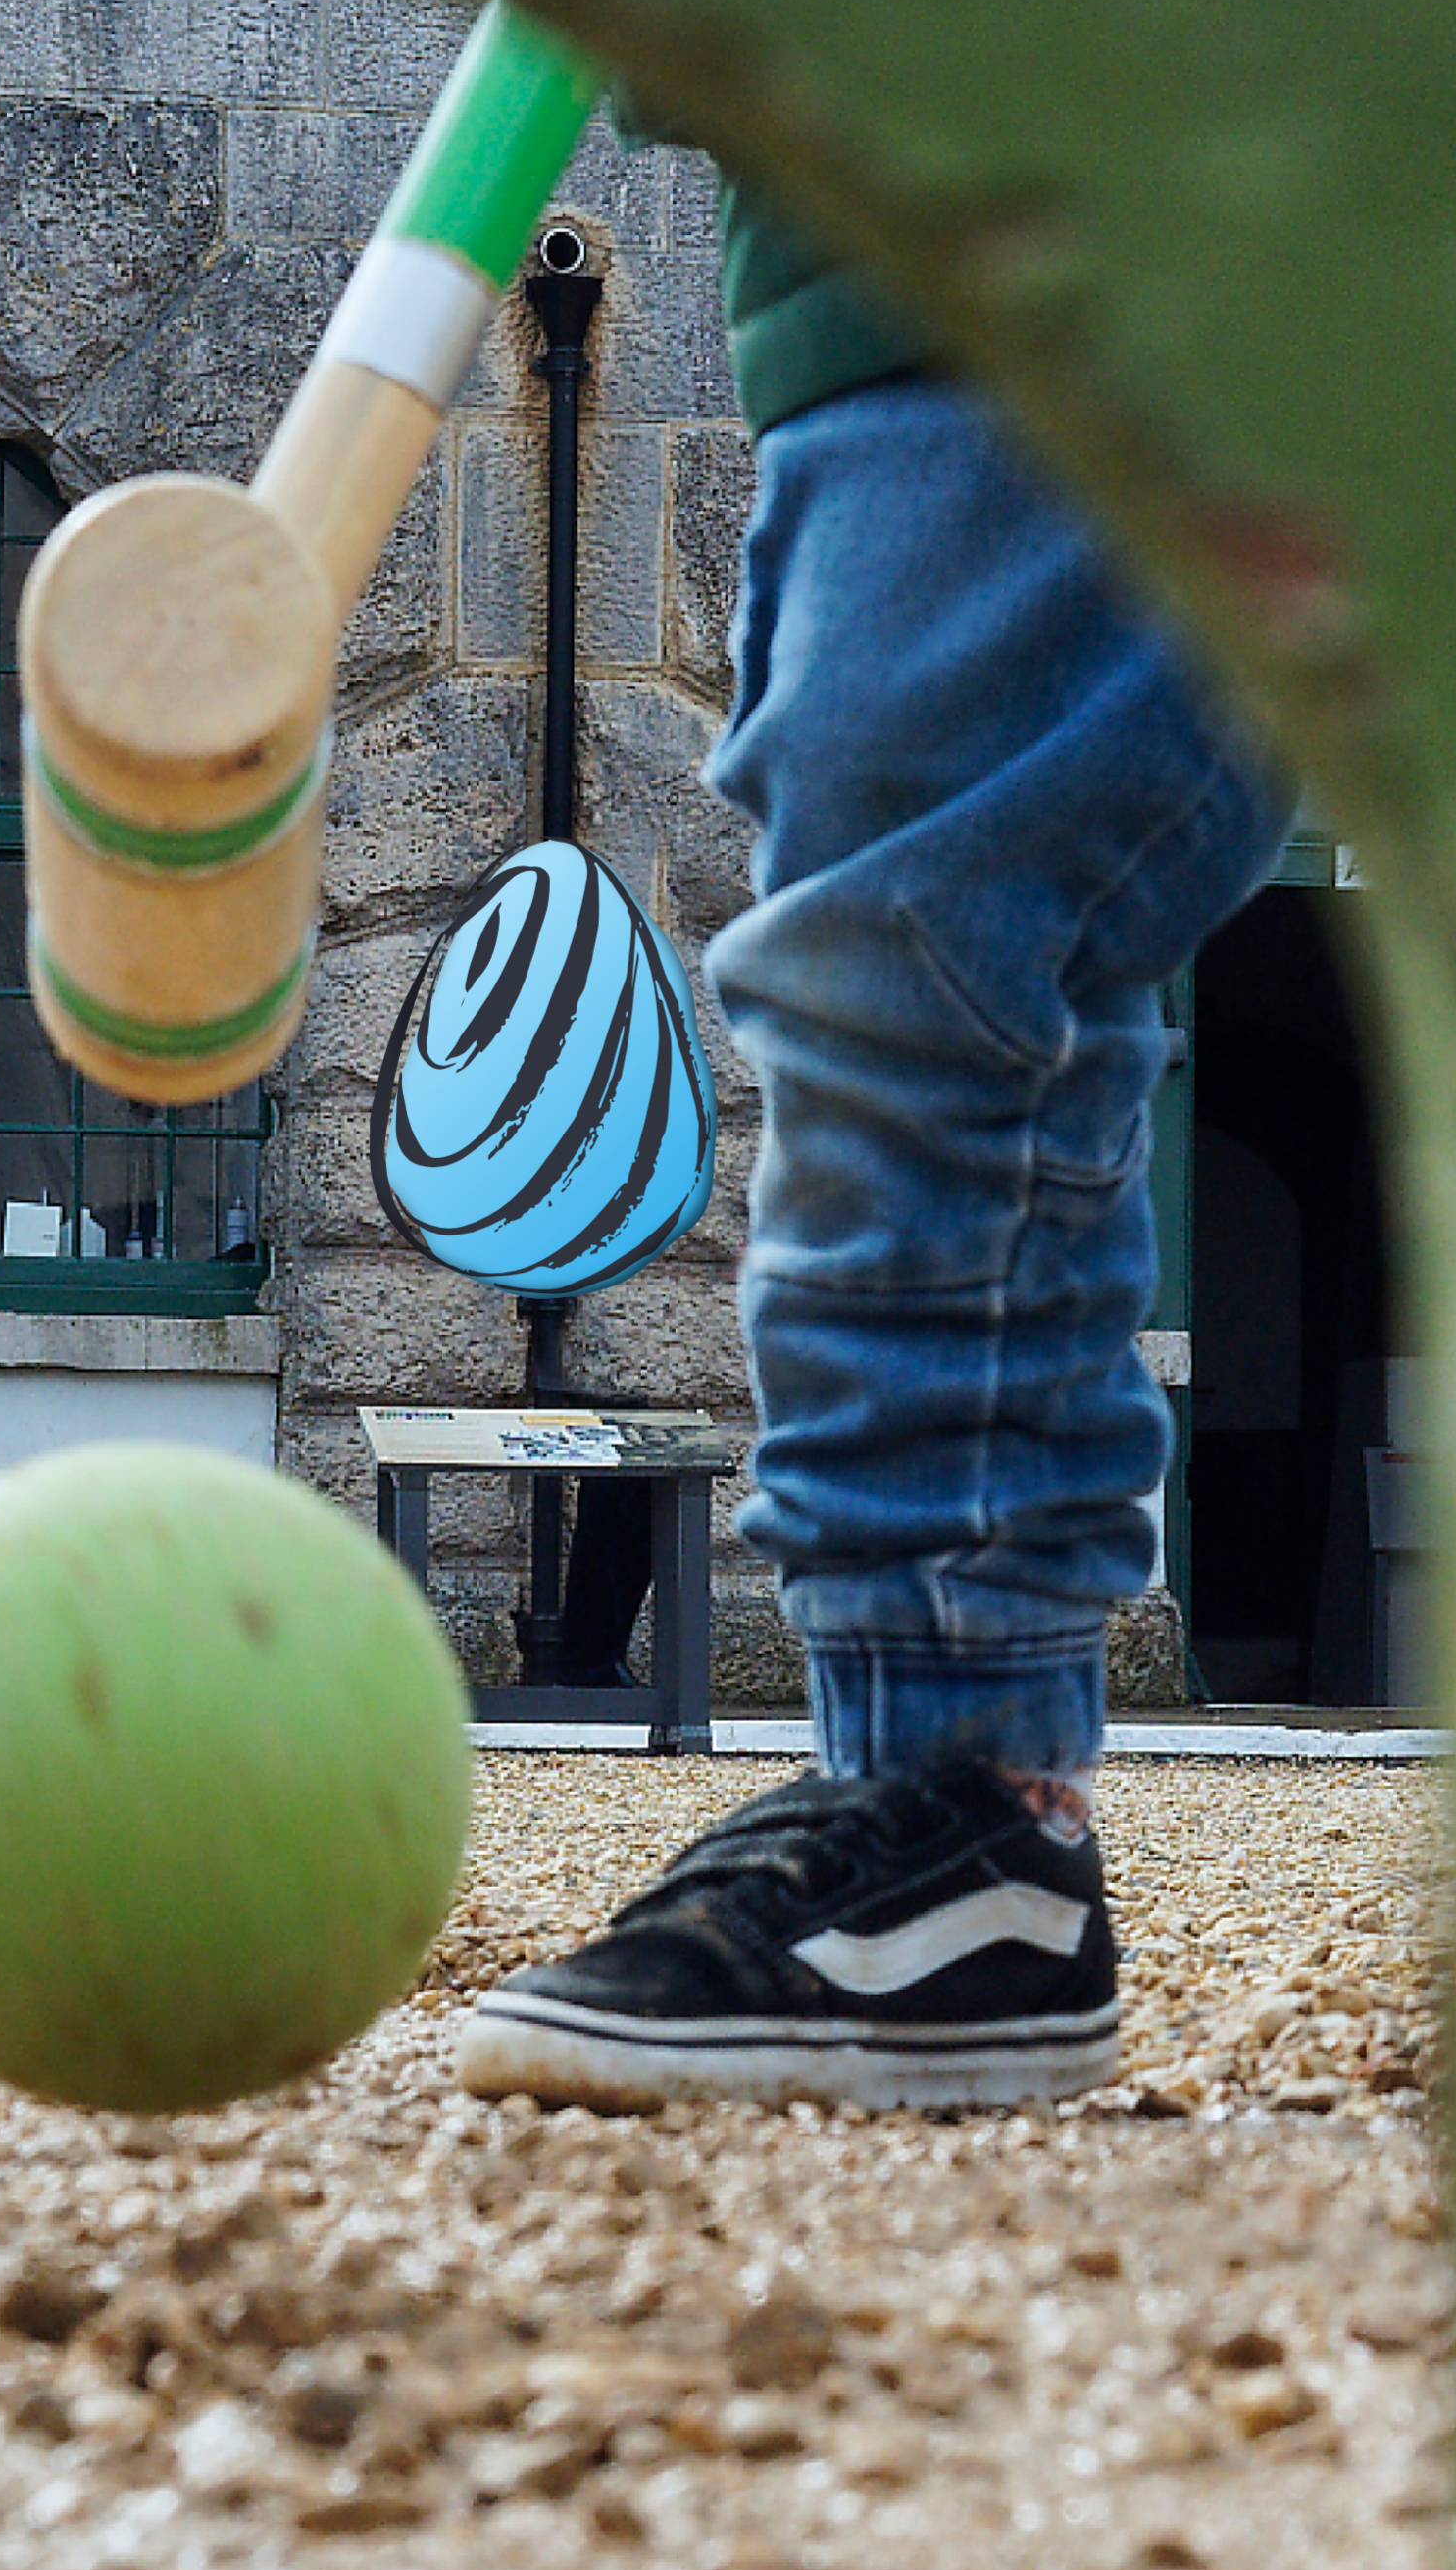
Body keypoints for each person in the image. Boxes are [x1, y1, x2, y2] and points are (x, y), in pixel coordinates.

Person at [458, 176, 1296, 2111]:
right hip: (873, 258)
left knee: (917, 922)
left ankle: (957, 1790)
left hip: (1039, 172)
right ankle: (945, 1796)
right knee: (900, 907)